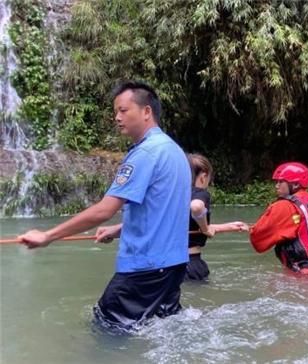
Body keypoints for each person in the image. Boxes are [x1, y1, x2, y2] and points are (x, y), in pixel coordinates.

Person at [18, 81, 191, 331]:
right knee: (159, 330)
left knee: (105, 332)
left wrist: (47, 235)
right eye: (115, 112)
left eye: (123, 110)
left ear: (146, 112)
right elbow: (164, 209)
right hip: (173, 266)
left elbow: (104, 210)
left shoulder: (145, 154)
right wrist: (119, 229)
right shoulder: (174, 151)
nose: (117, 117)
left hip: (145, 269)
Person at [249, 162, 308, 276]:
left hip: (305, 273)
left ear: (294, 185)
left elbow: (258, 241)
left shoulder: (283, 206)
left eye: (280, 182)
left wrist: (250, 229)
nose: (276, 186)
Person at [186, 153, 248, 281]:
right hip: (191, 264)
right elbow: (196, 207)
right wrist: (205, 229)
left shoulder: (170, 195)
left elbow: (188, 226)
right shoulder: (199, 193)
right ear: (203, 177)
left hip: (167, 267)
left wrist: (228, 227)